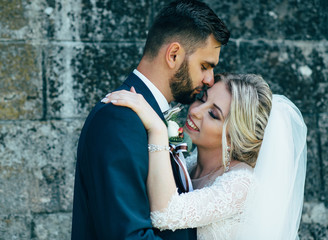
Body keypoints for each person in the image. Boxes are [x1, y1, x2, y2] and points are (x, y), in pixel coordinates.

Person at [71, 0, 230, 239]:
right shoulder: (119, 120)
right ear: (174, 54)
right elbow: (128, 235)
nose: (209, 79)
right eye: (205, 65)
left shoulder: (153, 117)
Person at [102, 73, 307, 240]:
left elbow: (165, 214)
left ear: (235, 136)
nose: (196, 111)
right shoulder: (190, 164)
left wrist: (157, 129)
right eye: (202, 99)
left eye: (214, 115)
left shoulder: (242, 184)